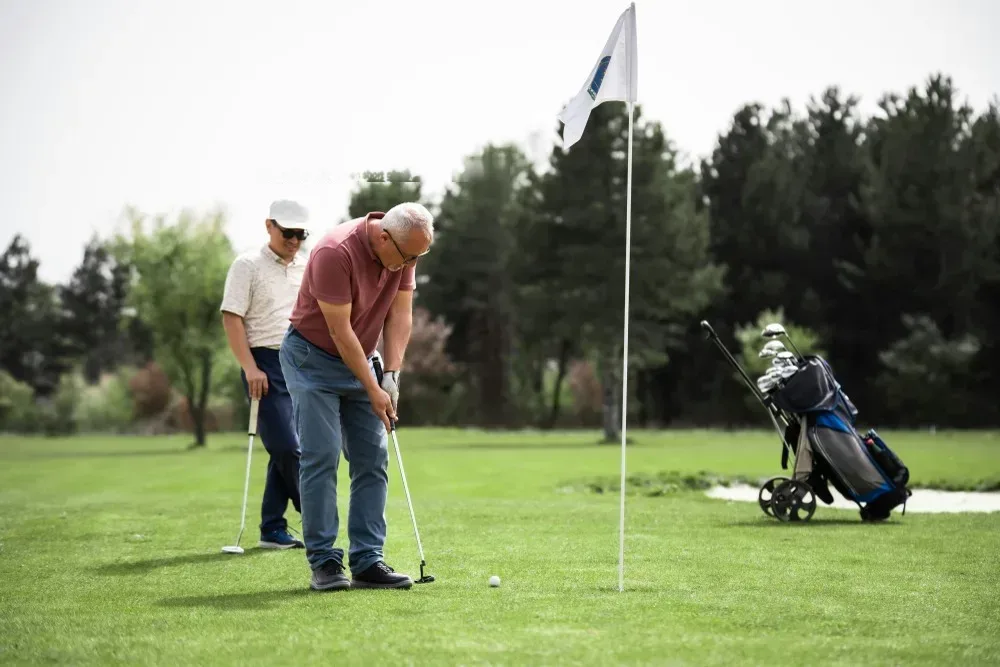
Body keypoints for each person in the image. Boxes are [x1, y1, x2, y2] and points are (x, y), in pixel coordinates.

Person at [279, 201, 433, 591]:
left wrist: (392, 376)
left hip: (365, 358)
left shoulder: (404, 249)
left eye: (418, 257)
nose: (411, 264)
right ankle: (326, 562)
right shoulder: (334, 253)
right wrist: (373, 387)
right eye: (408, 256)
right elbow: (339, 331)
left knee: (372, 458)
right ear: (384, 237)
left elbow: (400, 316)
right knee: (322, 454)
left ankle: (367, 559)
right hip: (312, 360)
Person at [220, 199, 313, 550]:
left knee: (285, 448)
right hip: (264, 363)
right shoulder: (247, 265)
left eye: (300, 234)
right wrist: (249, 367)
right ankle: (317, 516)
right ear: (269, 226)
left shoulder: (308, 266)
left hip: (302, 363)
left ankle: (272, 528)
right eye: (287, 232)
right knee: (288, 447)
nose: (294, 240)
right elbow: (232, 317)